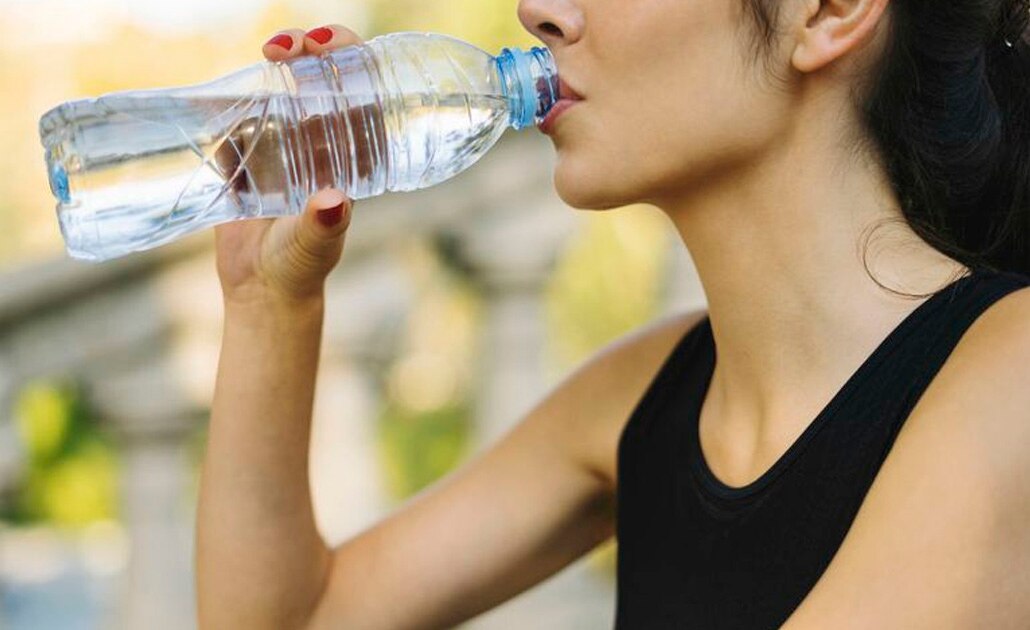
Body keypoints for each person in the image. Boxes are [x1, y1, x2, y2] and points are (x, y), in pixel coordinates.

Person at [196, 1, 1030, 628]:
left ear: (827, 11)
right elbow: (295, 618)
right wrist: (269, 299)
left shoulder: (1012, 378)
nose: (539, 11)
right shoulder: (643, 396)